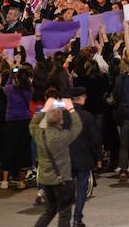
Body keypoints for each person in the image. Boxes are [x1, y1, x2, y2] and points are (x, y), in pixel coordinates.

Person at [31, 96, 82, 227]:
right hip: (62, 180)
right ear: (61, 120)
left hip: (45, 179)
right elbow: (77, 126)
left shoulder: (39, 134)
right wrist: (71, 109)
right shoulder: (64, 136)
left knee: (50, 210)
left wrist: (44, 109)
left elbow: (32, 124)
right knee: (64, 213)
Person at [68, 86, 100, 227]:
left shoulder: (63, 115)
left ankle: (65, 218)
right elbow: (95, 139)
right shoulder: (87, 116)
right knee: (82, 189)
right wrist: (98, 157)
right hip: (84, 158)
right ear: (80, 99)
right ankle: (77, 218)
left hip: (66, 159)